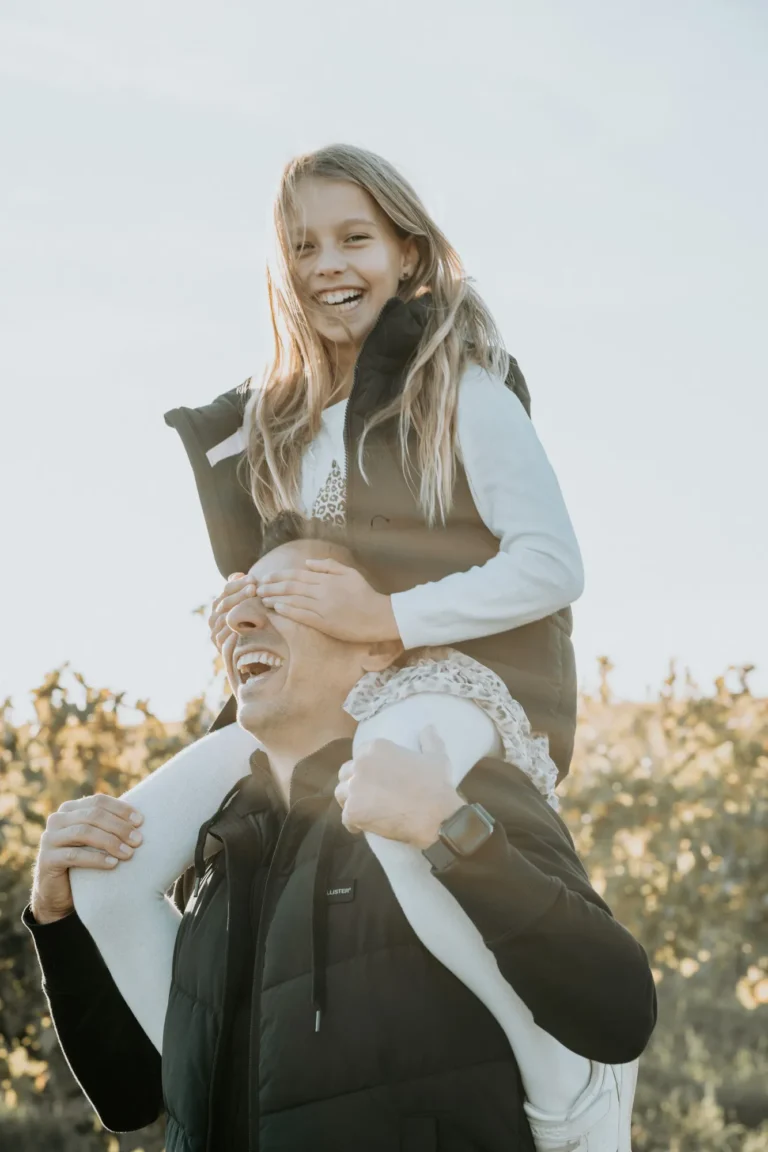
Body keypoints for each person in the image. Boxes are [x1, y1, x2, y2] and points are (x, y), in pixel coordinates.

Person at [24, 524, 657, 1152]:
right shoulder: (216, 855)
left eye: (282, 598)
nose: (243, 619)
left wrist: (454, 833)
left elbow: (617, 1013)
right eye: (240, 604)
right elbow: (129, 1096)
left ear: (378, 644)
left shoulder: (452, 789)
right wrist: (59, 924)